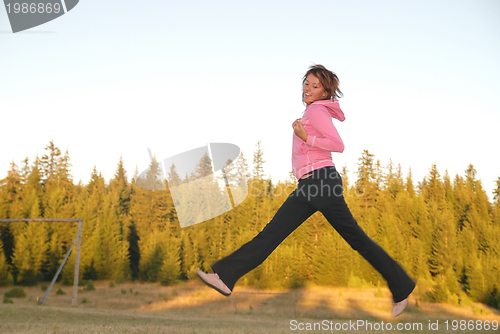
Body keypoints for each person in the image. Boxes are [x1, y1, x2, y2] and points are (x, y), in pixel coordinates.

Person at [197, 64, 415, 317]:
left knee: (272, 235)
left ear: (324, 93)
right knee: (355, 239)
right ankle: (402, 289)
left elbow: (338, 144)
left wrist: (304, 136)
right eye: (306, 84)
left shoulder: (316, 112)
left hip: (319, 183)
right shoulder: (313, 112)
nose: (308, 89)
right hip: (317, 183)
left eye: (315, 86)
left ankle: (224, 277)